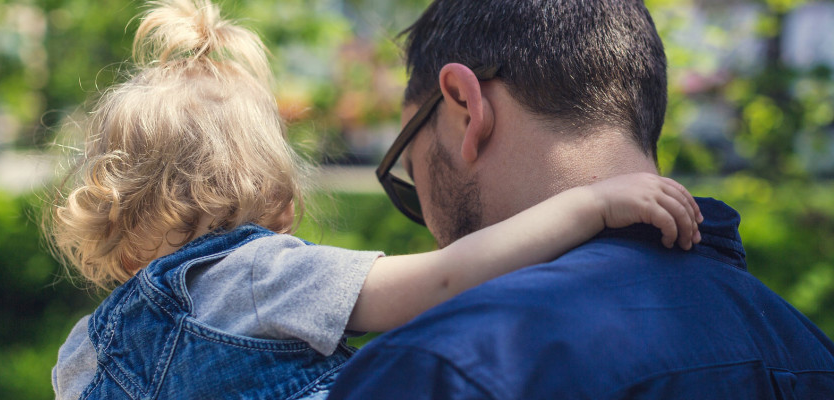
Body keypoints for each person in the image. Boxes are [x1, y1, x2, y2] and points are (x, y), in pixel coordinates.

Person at [47, 1, 704, 399]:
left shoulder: (84, 350)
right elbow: (446, 278)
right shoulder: (266, 277)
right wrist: (590, 206)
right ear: (272, 191)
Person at [327, 1, 834, 399]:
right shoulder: (810, 352)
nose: (426, 222)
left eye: (411, 171)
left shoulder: (445, 365)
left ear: (465, 105)